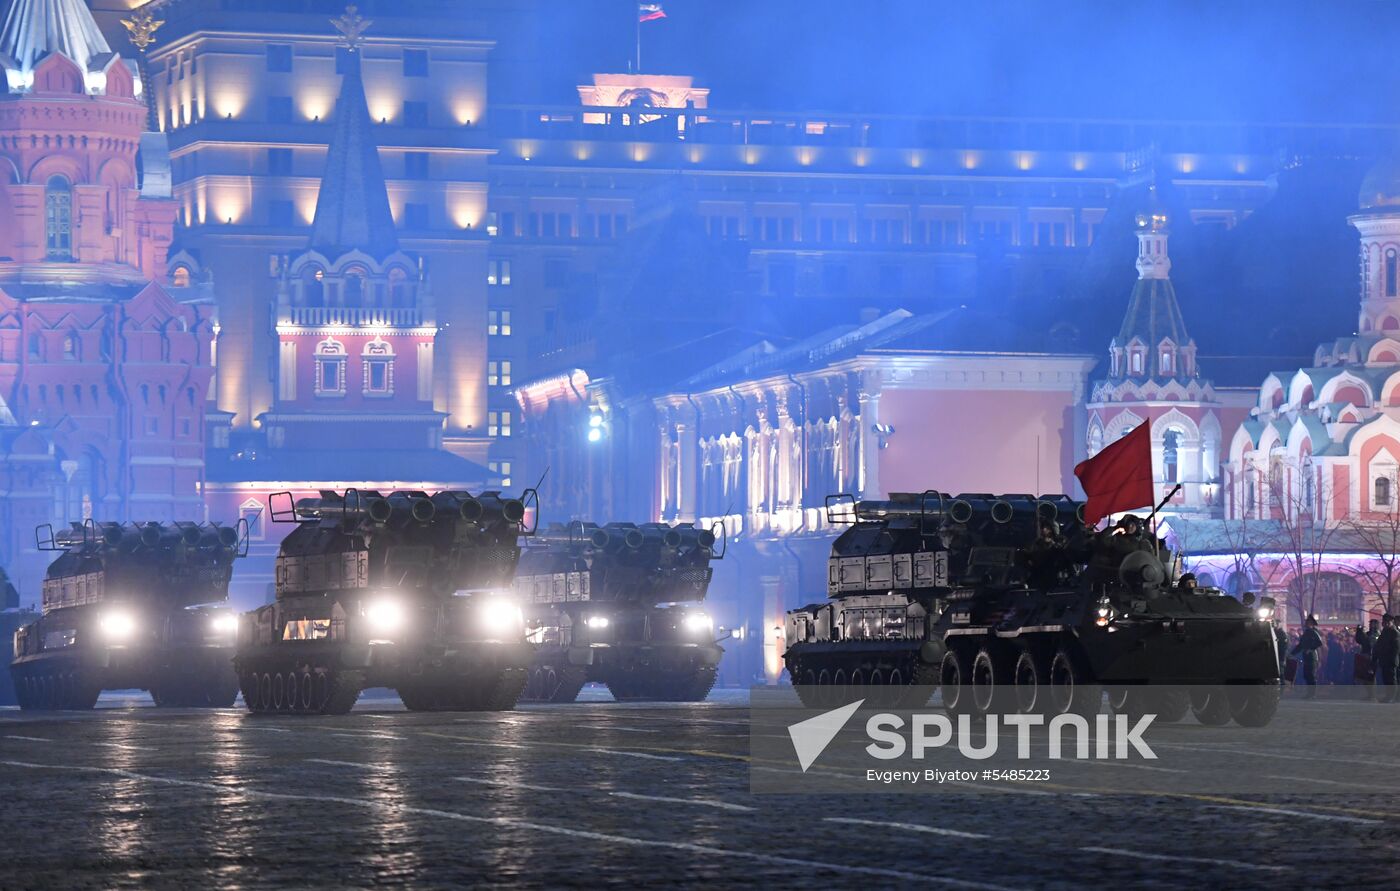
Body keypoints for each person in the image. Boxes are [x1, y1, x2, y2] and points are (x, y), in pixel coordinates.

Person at [1290, 615, 1325, 698]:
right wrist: (1292, 654)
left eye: (1308, 622)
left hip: (1312, 657)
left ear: (1311, 624)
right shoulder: (1306, 633)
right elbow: (1300, 646)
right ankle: (1309, 693)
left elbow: (1319, 642)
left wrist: (1310, 649)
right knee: (1307, 675)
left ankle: (1312, 694)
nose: (1306, 623)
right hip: (1306, 657)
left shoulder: (1313, 632)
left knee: (1311, 676)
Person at [1375, 614, 1400, 703]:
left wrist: (1392, 660)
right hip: (1384, 660)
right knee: (1386, 679)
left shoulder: (1394, 632)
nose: (1385, 624)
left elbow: (1396, 648)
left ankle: (1392, 697)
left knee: (1391, 680)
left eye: (1387, 622)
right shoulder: (1385, 631)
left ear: (1391, 622)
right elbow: (1379, 645)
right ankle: (1388, 696)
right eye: (1384, 622)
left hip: (1391, 660)